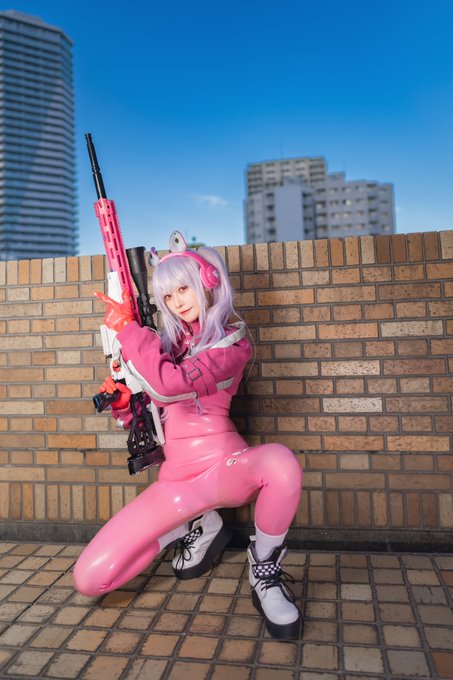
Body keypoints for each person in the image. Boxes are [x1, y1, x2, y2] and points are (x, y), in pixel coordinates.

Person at [73, 232, 303, 640]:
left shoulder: (232, 342)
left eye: (184, 288)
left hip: (225, 468)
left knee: (280, 463)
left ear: (208, 283)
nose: (178, 301)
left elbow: (171, 386)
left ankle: (264, 569)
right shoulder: (163, 346)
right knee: (91, 579)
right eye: (168, 295)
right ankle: (196, 524)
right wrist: (125, 402)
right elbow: (149, 411)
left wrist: (129, 330)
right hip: (177, 484)